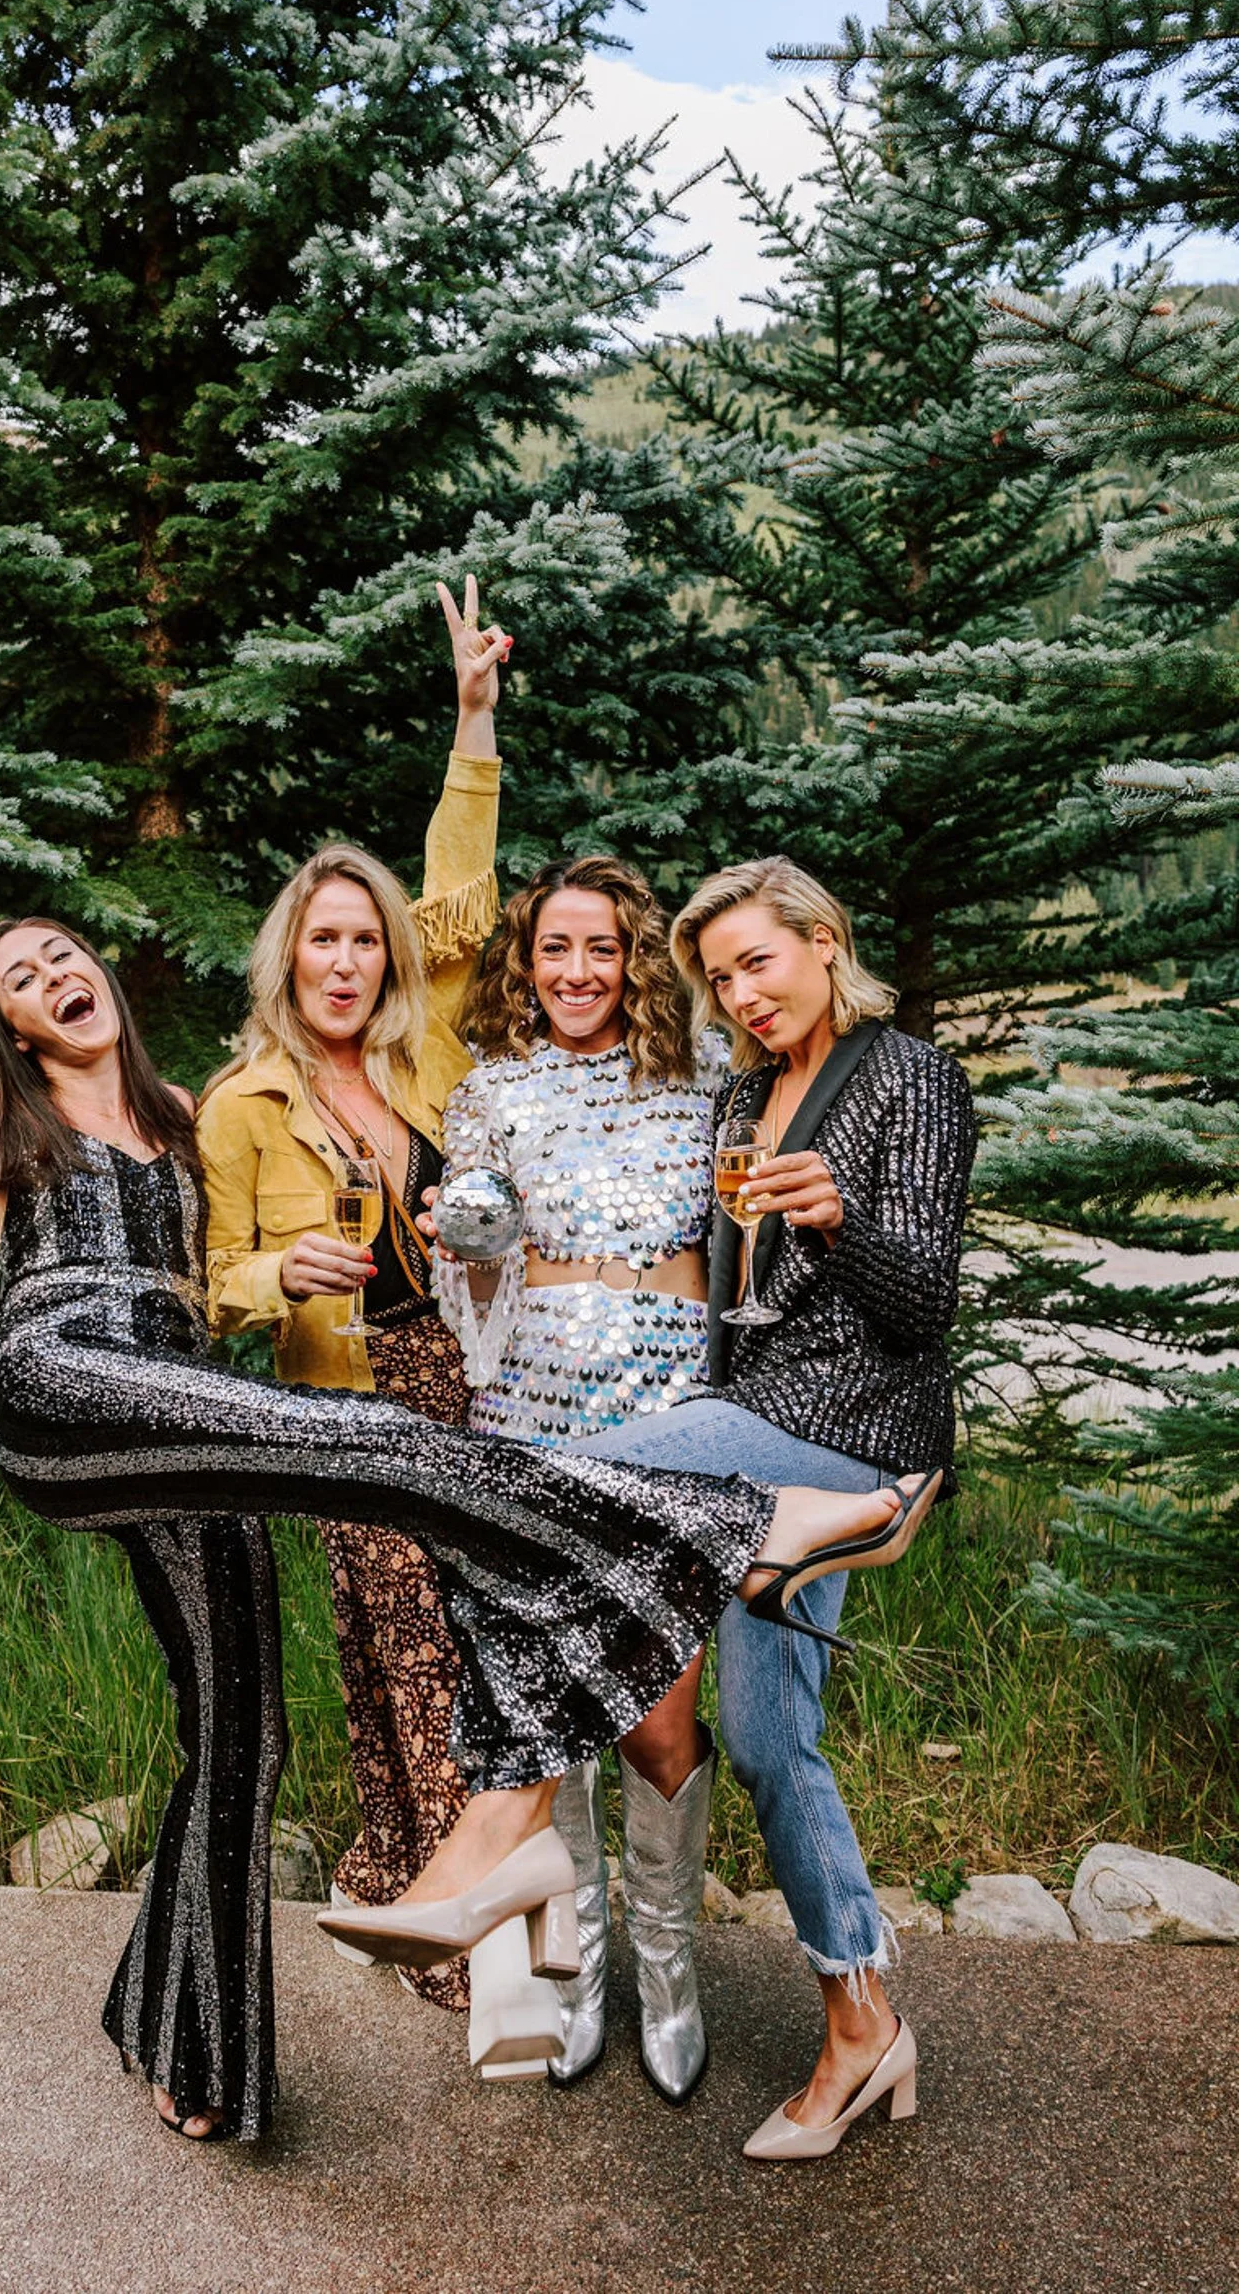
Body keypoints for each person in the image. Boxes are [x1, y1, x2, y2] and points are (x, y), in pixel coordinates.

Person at [0, 907, 941, 2145]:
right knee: (373, 1446)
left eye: (65, 957)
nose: (56, 978)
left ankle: (186, 2038)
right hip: (67, 1386)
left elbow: (360, 1063)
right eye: (23, 979)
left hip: (189, 1409)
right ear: (5, 1024)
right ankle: (735, 1518)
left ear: (103, 979)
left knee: (245, 1734)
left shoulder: (189, 1115)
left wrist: (363, 1243)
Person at [590, 854, 977, 2161]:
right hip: (761, 1439)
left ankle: (498, 1840)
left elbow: (920, 1304)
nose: (741, 994)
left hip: (851, 1429)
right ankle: (865, 2021)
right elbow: (734, 1309)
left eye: (758, 961)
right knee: (766, 1742)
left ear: (823, 940)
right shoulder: (749, 1093)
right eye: (720, 978)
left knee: (579, 1477)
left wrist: (843, 1213)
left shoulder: (908, 1076)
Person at [198, 575, 505, 2028]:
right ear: (289, 954)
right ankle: (455, 1924)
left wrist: (472, 727)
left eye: (364, 940)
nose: (346, 960)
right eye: (322, 940)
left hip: (471, 1370)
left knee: (453, 1626)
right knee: (402, 1624)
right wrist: (280, 1273)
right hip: (347, 1394)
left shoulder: (419, 1054)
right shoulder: (242, 1101)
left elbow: (466, 894)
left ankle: (408, 1870)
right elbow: (208, 1288)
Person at [435, 855, 726, 2101]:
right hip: (531, 1416)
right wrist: (473, 1229)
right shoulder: (490, 1090)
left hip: (667, 1417)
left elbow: (744, 1244)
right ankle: (580, 1968)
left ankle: (671, 1970)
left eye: (600, 948)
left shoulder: (702, 1081)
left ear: (634, 959)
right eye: (555, 949)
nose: (576, 972)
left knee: (660, 1714)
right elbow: (475, 1270)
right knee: (557, 1703)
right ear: (525, 961)